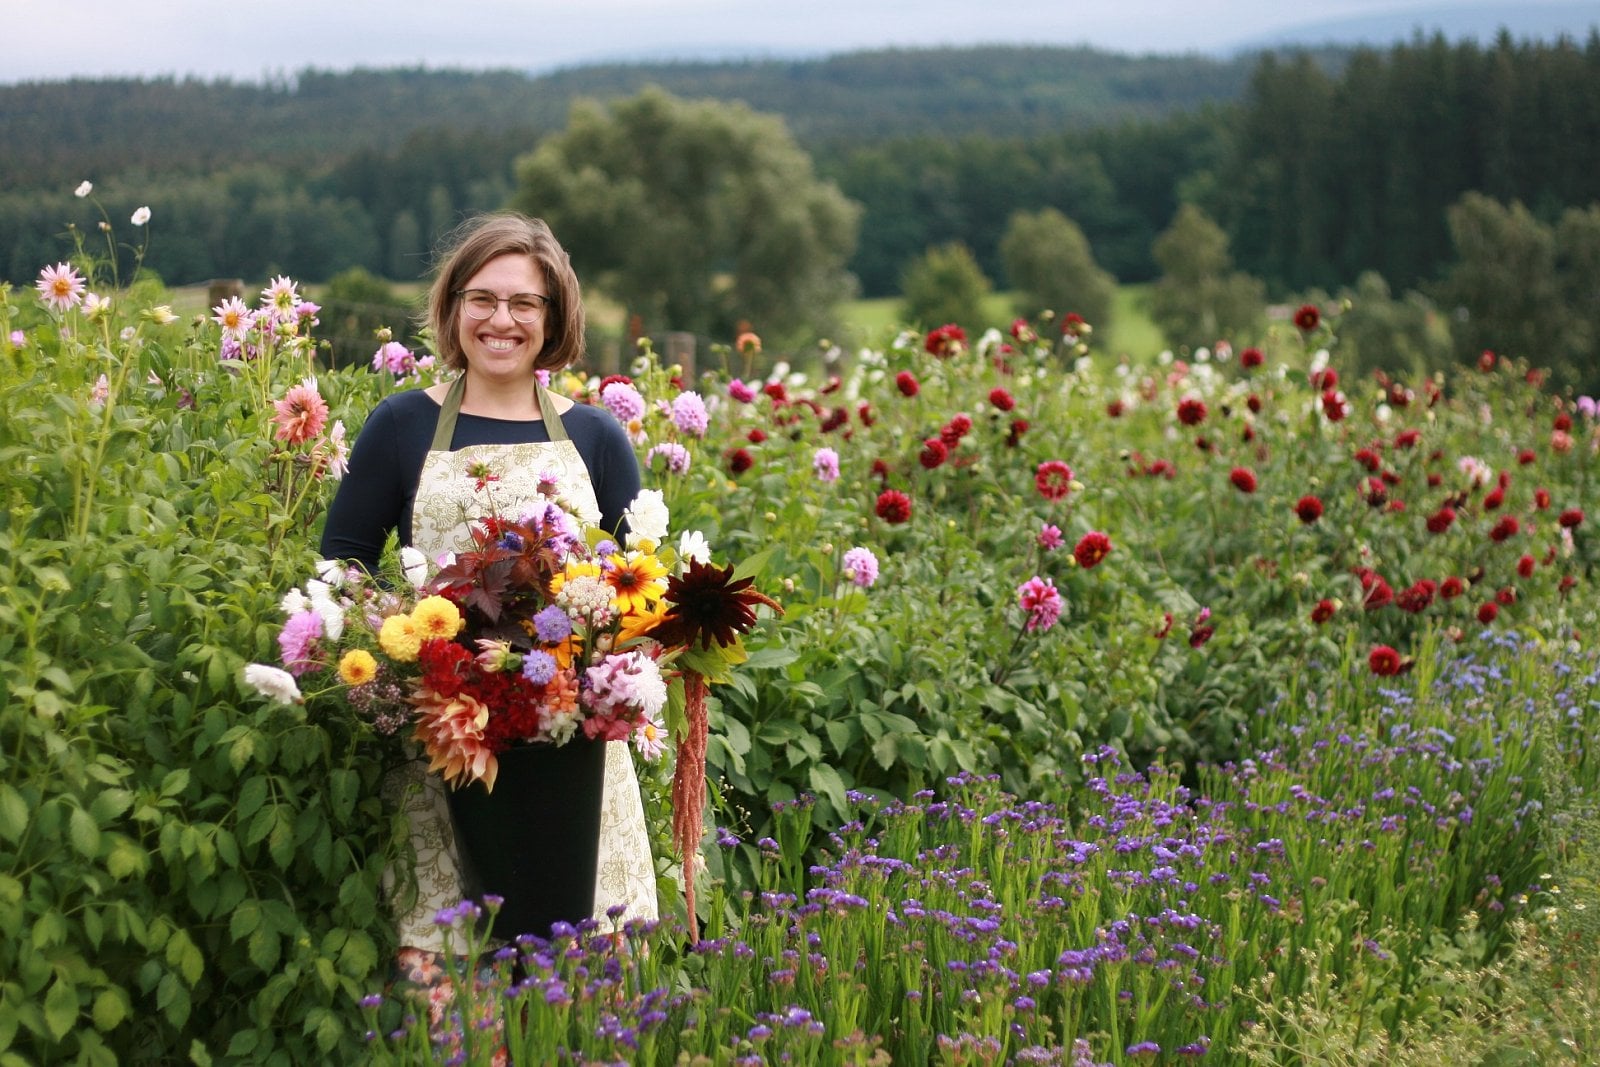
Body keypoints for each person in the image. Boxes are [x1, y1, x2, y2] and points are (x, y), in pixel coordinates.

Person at [320, 212, 658, 972]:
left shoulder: (597, 437)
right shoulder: (403, 424)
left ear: (553, 318)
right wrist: (394, 649)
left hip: (575, 756)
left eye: (523, 303)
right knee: (447, 979)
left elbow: (641, 585)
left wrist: (617, 678)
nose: (500, 320)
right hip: (441, 741)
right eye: (482, 298)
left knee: (583, 985)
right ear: (452, 307)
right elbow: (341, 560)